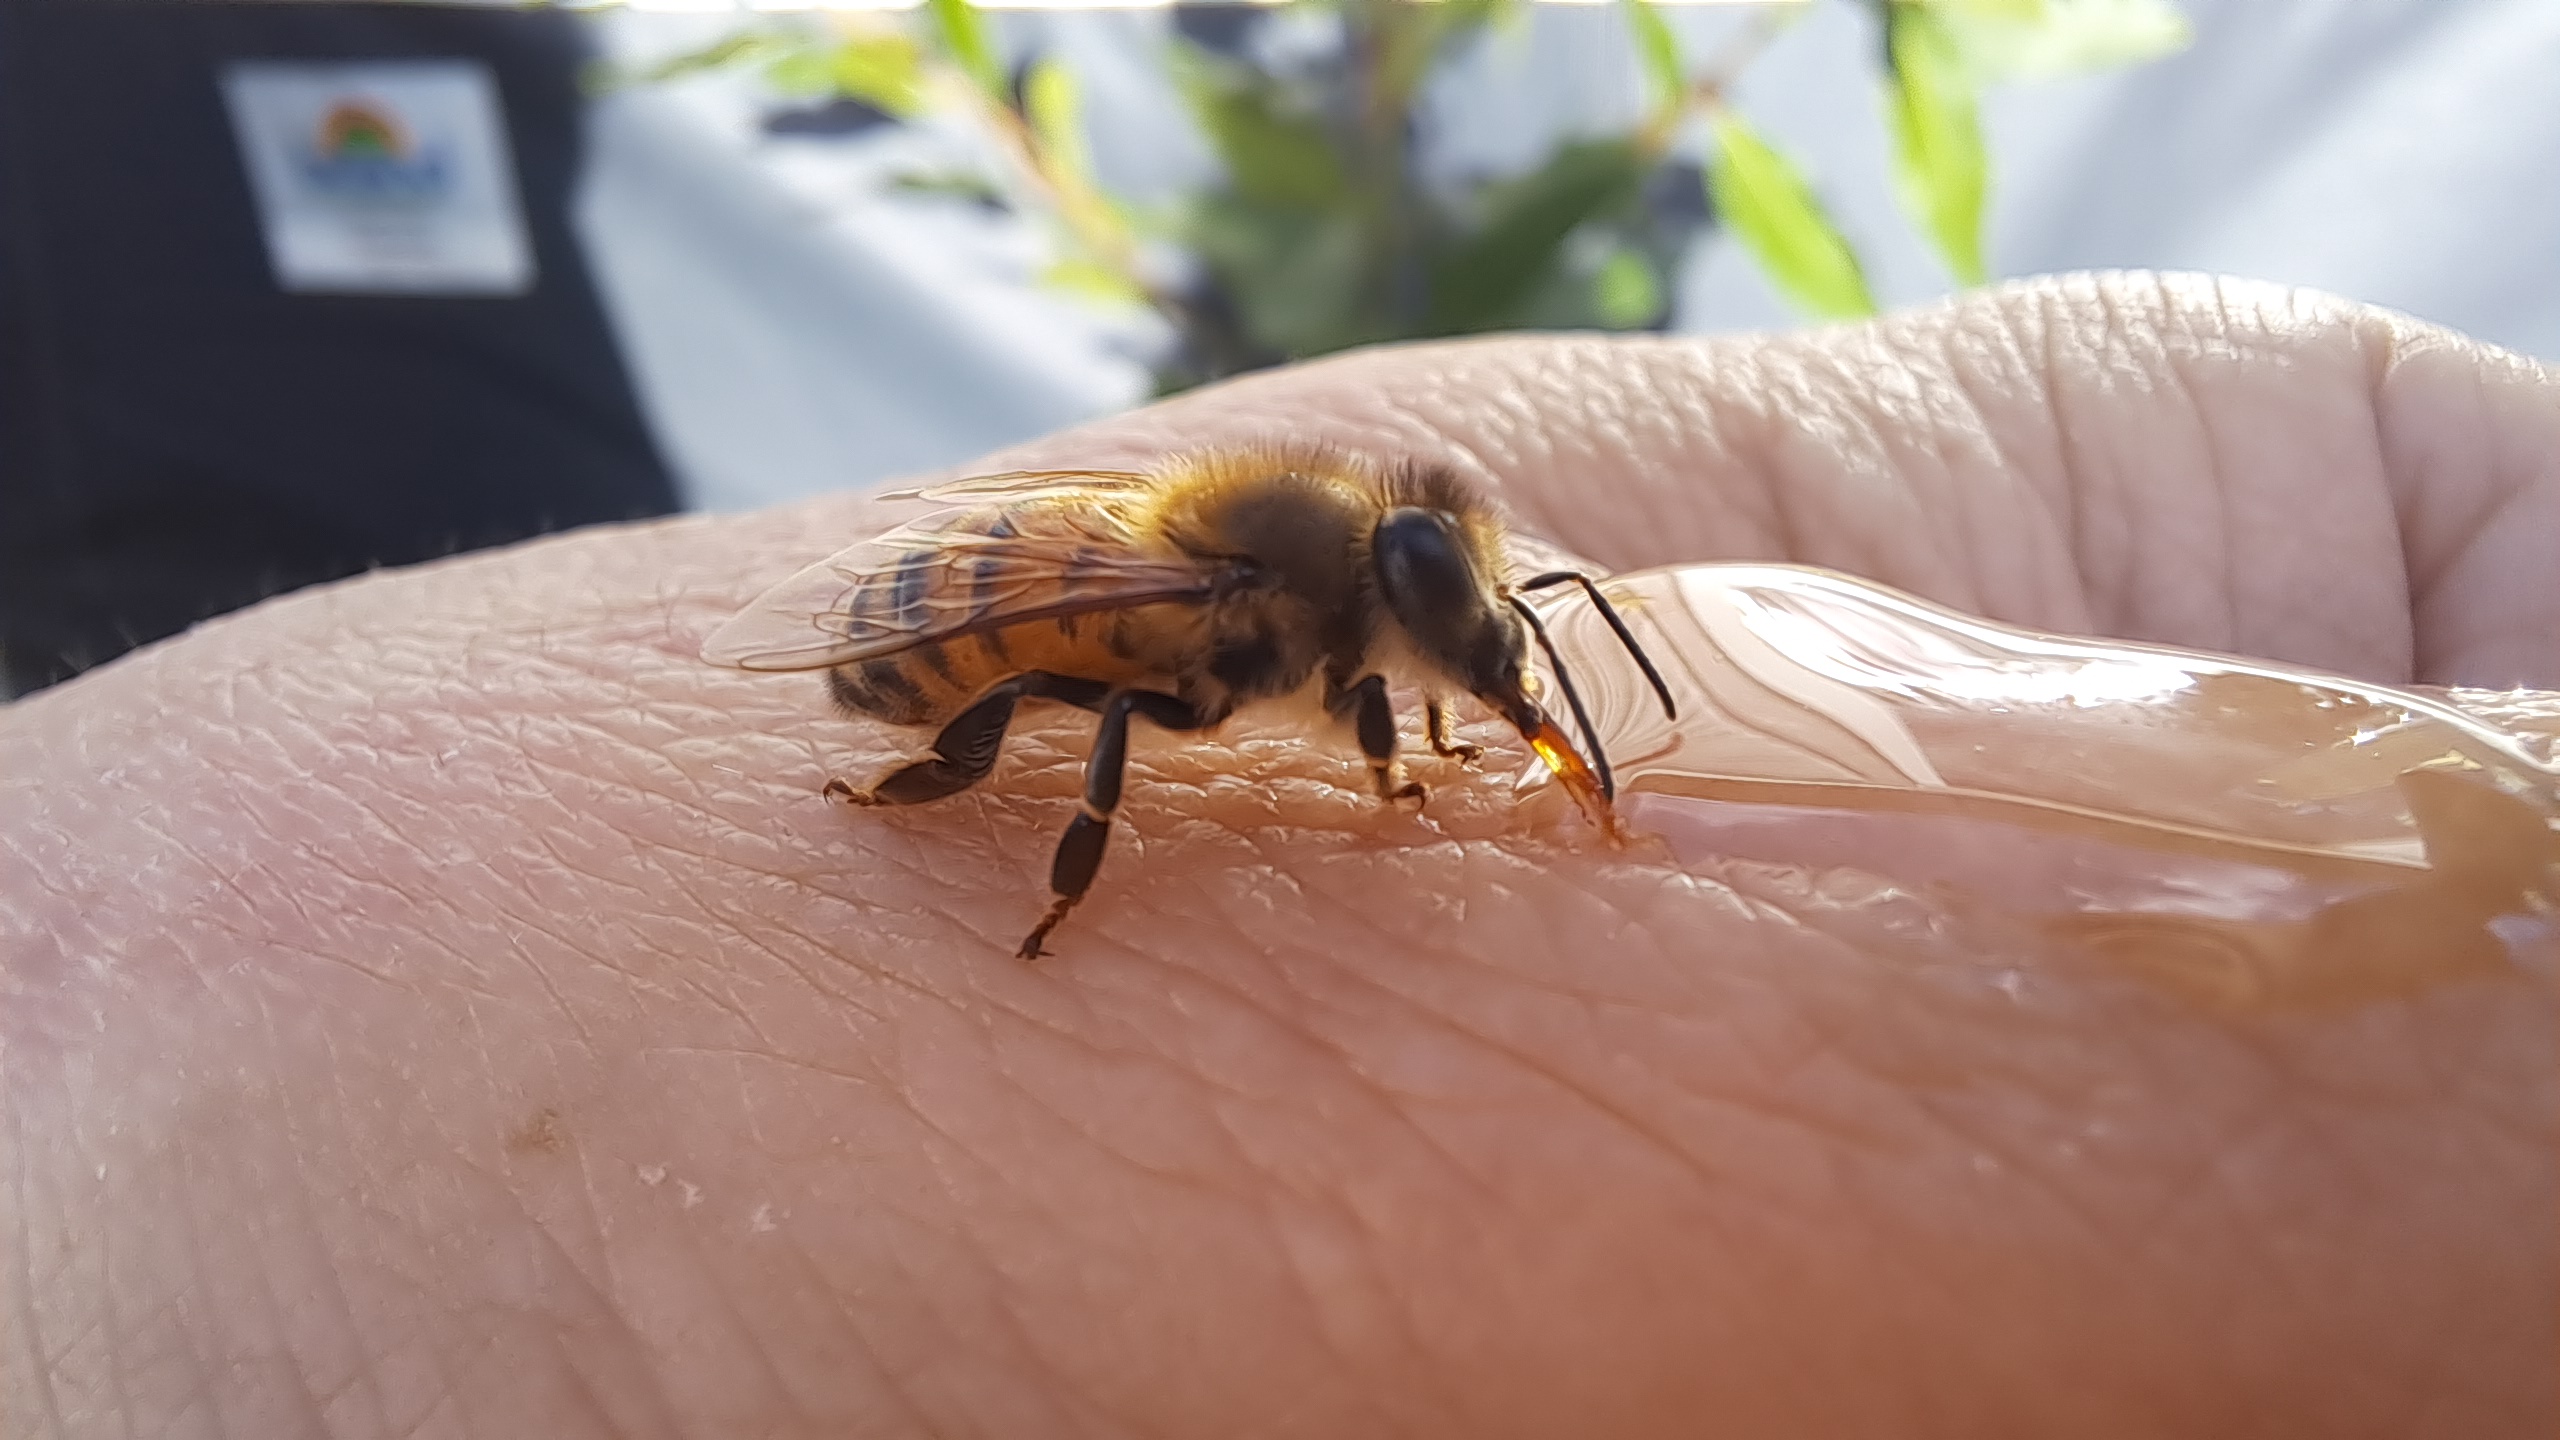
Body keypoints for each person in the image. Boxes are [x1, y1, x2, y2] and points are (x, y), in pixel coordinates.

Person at [4, 274, 2552, 1437]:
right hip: (964, 643)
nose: (1464, 641)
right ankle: (958, 819)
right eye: (1441, 625)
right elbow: (1051, 649)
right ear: (1352, 591)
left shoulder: (1329, 581)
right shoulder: (1220, 591)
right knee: (1088, 712)